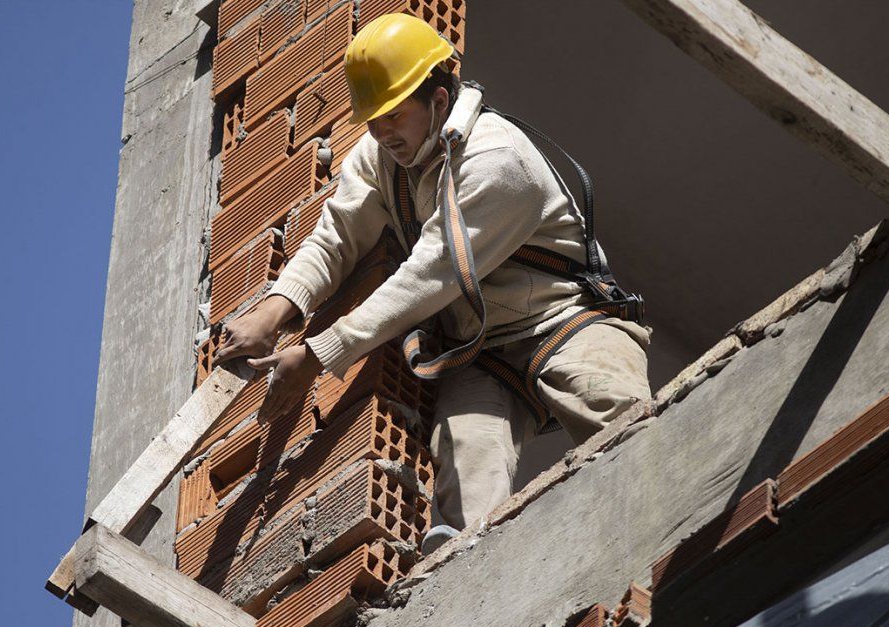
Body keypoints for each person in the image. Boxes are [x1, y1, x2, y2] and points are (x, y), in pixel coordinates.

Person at [216, 13, 651, 553]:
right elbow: (338, 234)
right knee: (464, 491)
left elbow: (430, 275)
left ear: (440, 100)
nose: (381, 134)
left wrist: (318, 354)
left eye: (394, 116)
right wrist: (278, 308)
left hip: (567, 323)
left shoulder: (498, 159)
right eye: (372, 120)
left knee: (628, 431)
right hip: (485, 354)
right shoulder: (383, 156)